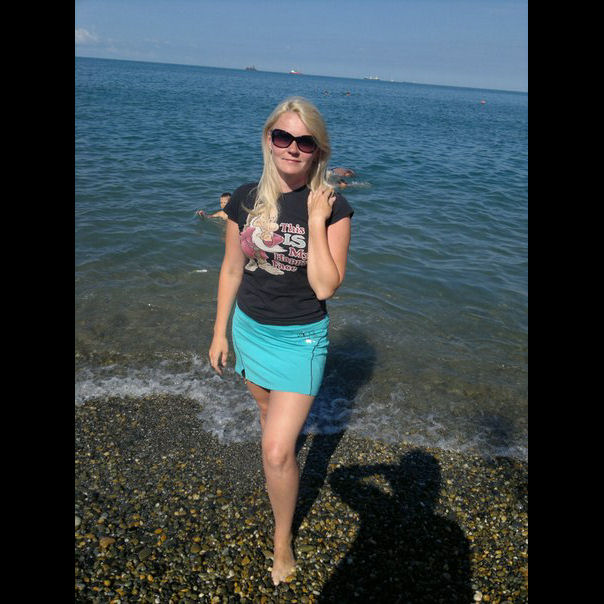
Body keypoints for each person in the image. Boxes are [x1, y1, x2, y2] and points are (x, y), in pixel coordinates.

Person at [208, 97, 353, 586]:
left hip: (300, 339)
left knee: (273, 450)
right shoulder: (246, 198)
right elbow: (232, 269)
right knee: (269, 418)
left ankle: (282, 539)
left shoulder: (333, 207)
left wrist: (313, 219)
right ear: (269, 140)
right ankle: (282, 471)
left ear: (318, 150)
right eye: (283, 137)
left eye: (304, 141)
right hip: (250, 328)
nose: (293, 148)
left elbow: (325, 287)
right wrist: (219, 331)